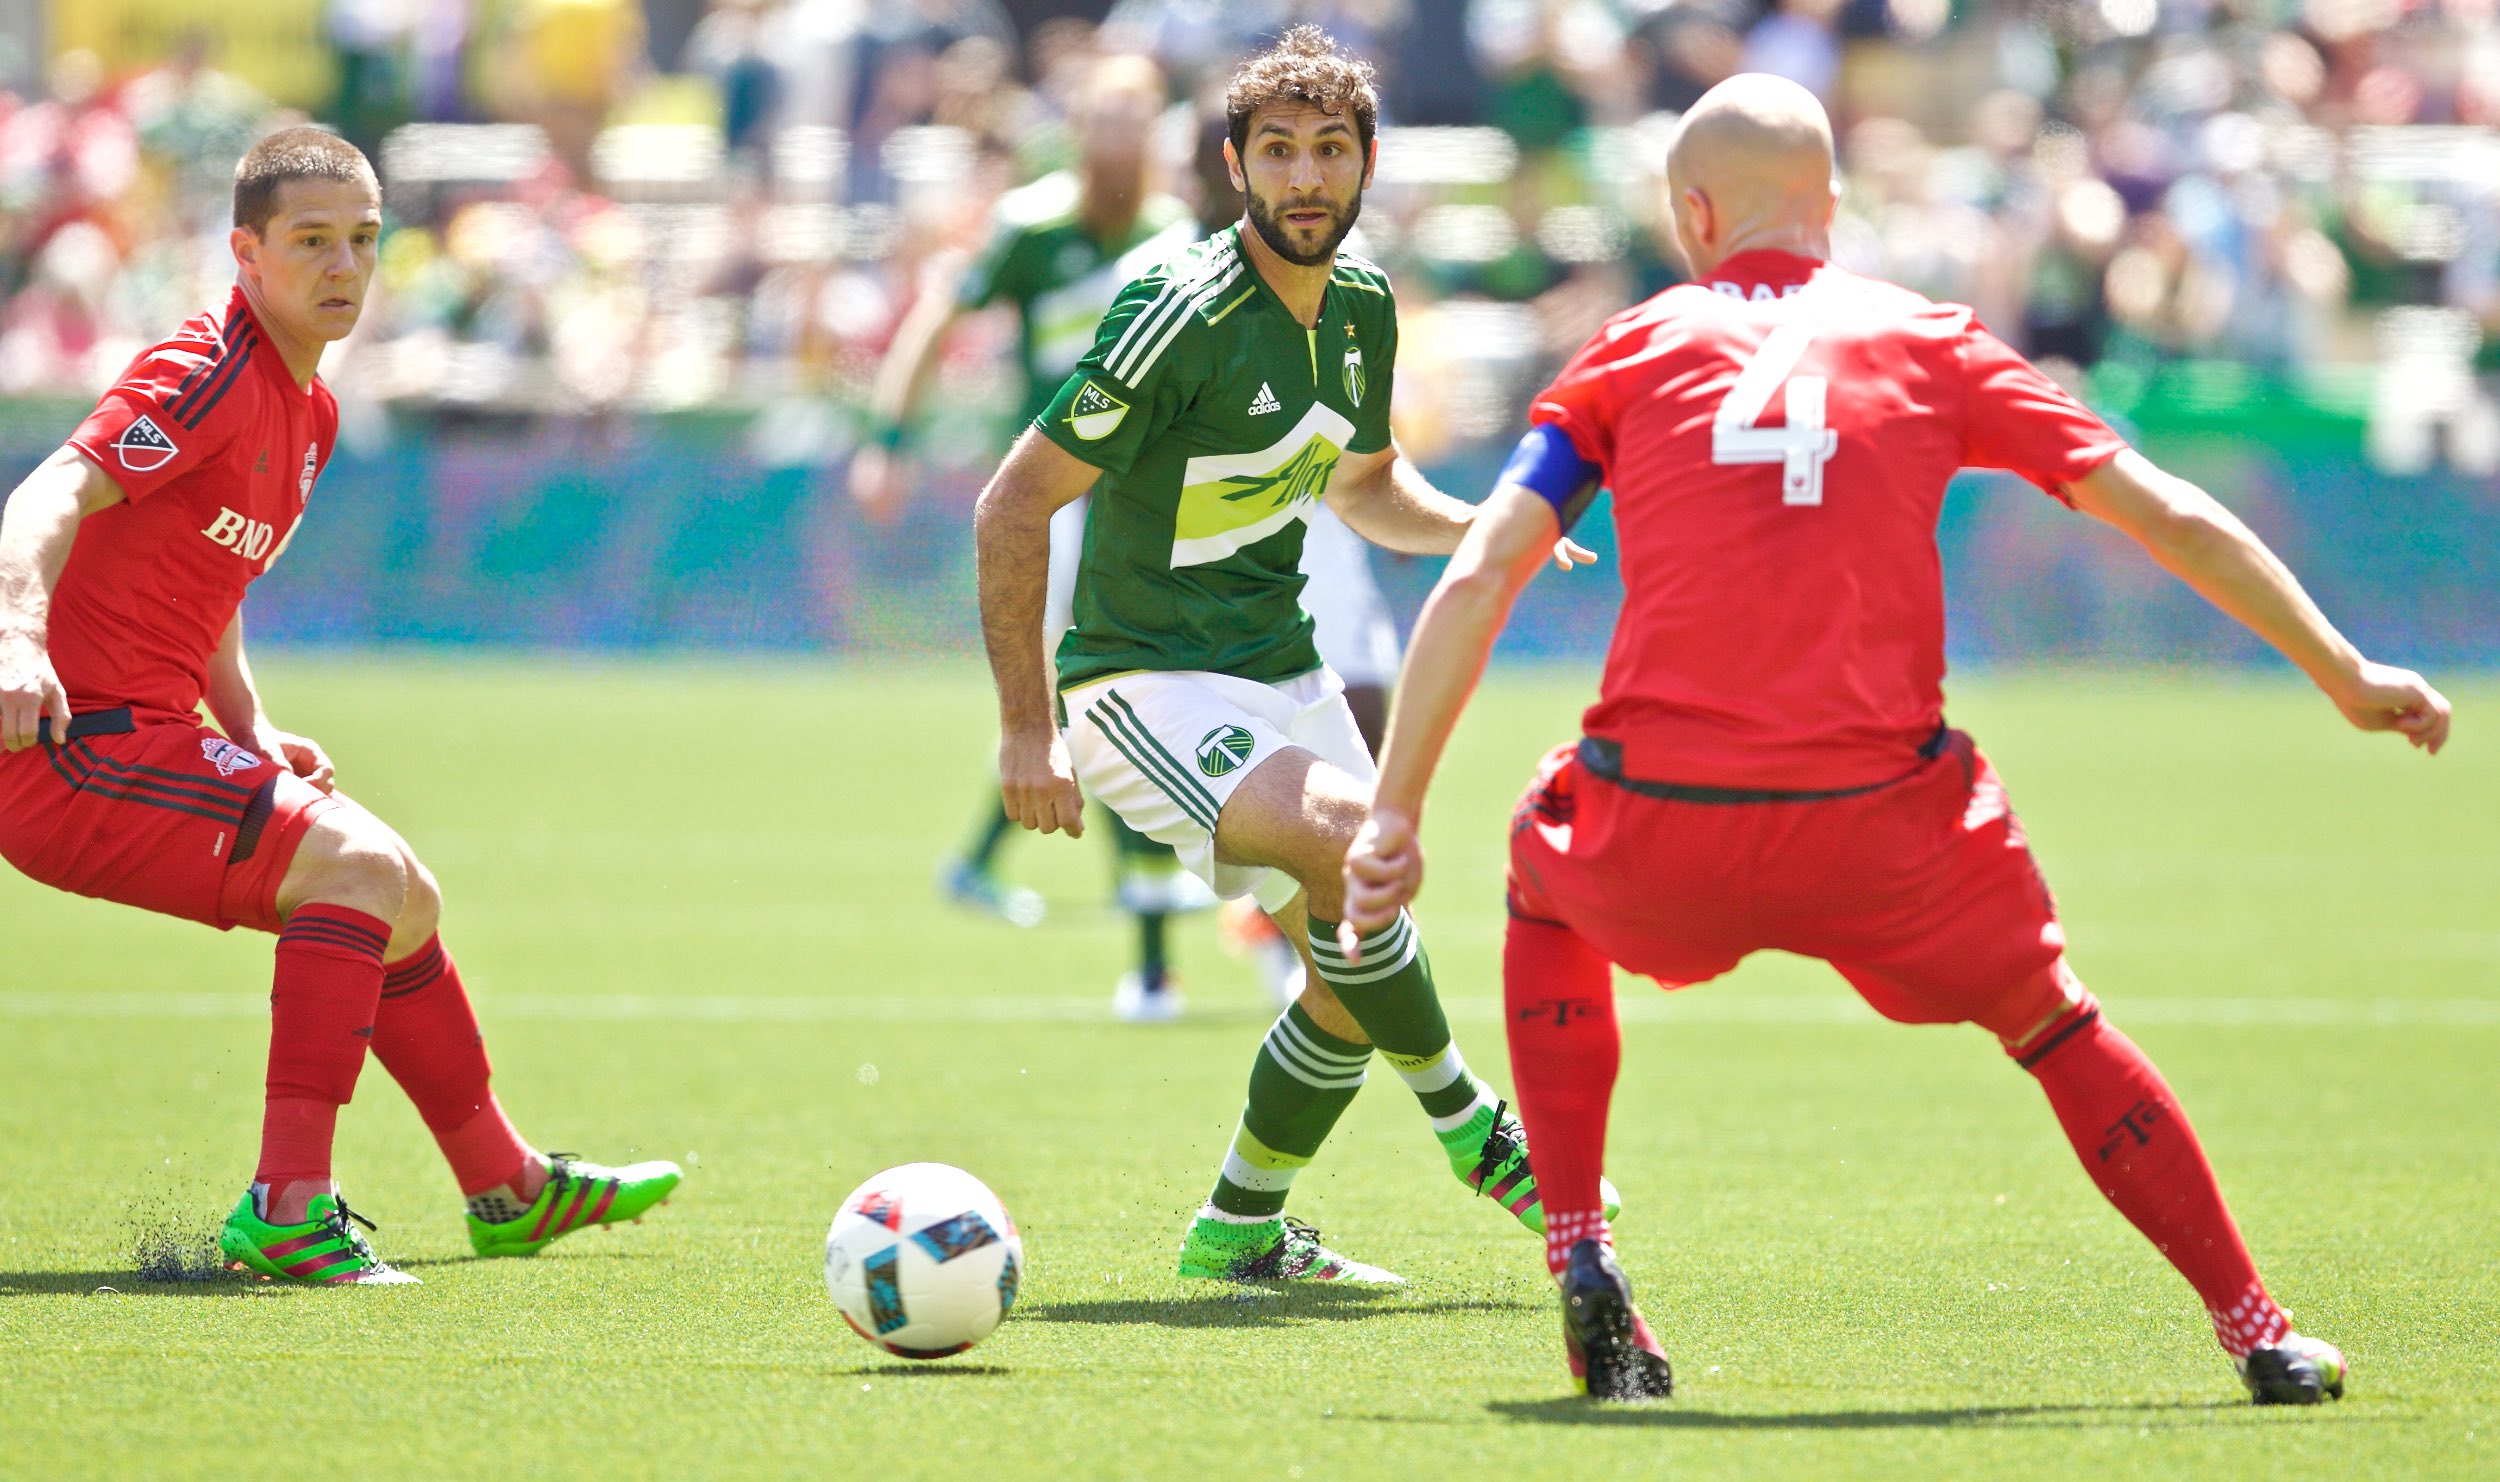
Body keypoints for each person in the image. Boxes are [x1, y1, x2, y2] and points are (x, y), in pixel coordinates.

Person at [1340, 74, 2450, 1399]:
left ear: (1694, 211)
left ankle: (1577, 1239)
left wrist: (1395, 811)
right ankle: (2258, 1330)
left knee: (1544, 867)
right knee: (2054, 1022)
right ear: (1831, 205)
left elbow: (1477, 574)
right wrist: (2340, 666)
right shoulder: (1932, 339)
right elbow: (2161, 512)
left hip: (1665, 818)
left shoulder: (1631, 345)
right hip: (1889, 831)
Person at [975, 26, 1611, 1285]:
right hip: (1138, 680)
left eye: (1329, 150)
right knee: (1354, 848)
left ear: (1367, 163)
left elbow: (1365, 487)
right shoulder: (1179, 310)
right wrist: (1024, 727)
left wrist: (1484, 530)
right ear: (1234, 165)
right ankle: (1474, 1124)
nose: (1305, 178)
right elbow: (1011, 502)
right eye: (1278, 152)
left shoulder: (1367, 308)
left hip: (1281, 665)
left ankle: (1239, 1227)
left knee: (1354, 938)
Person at [0, 128, 680, 1286]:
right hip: (61, 751)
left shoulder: (304, 409)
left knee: (402, 894)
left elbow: (208, 578)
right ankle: (288, 1208)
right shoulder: (205, 367)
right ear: (246, 252)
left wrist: (248, 726)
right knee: (357, 872)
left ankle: (505, 1187)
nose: (343, 267)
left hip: (143, 735)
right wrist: (15, 631)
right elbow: (53, 487)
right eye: (311, 241)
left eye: (363, 241)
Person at [852, 53, 1217, 1022]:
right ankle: (1149, 959)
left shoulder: (1177, 235)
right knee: (1099, 693)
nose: (1115, 136)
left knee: (1114, 696)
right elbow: (937, 318)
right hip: (1055, 500)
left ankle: (1016, 879)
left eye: (1133, 118)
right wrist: (889, 438)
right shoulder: (1032, 225)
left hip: (1151, 499)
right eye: (1100, 117)